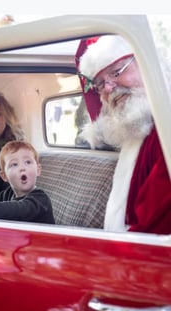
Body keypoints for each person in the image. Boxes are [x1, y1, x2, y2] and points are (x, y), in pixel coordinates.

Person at [76, 35, 171, 234]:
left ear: (147, 65)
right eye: (101, 84)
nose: (109, 88)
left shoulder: (165, 132)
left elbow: (153, 233)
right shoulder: (139, 131)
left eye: (116, 71)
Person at [0, 140, 55, 224]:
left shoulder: (41, 200)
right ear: (4, 176)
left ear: (38, 170)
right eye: (14, 164)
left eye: (28, 162)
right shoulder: (9, 193)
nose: (22, 168)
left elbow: (18, 209)